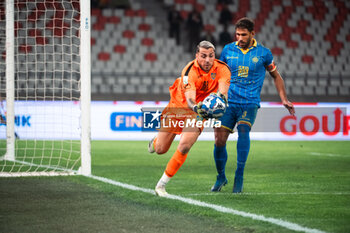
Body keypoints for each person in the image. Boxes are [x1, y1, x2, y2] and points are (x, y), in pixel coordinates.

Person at [211, 18, 295, 193]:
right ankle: (221, 177)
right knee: (219, 141)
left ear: (252, 34)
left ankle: (239, 175)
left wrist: (284, 99)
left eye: (243, 35)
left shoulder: (264, 53)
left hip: (249, 102)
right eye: (238, 34)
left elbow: (276, 76)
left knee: (243, 130)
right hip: (228, 102)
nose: (240, 38)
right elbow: (219, 74)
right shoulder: (228, 50)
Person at [148, 41, 231, 197]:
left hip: (200, 112)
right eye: (203, 56)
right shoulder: (189, 72)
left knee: (185, 145)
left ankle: (161, 186)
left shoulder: (223, 69)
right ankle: (156, 141)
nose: (207, 60)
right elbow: (190, 100)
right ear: (197, 56)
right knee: (160, 149)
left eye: (211, 56)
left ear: (215, 56)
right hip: (179, 105)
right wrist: (197, 107)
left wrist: (220, 103)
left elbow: (223, 93)